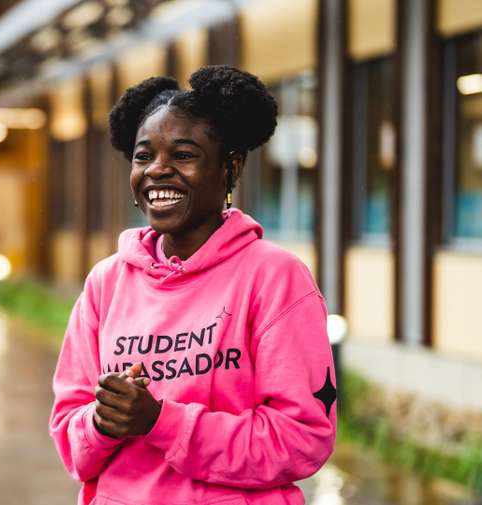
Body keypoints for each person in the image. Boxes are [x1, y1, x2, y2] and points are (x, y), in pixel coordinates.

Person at [48, 65, 337, 505]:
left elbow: (302, 439)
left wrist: (161, 421)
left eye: (183, 155)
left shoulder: (275, 278)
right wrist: (104, 420)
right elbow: (71, 443)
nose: (157, 171)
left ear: (229, 168)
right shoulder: (106, 282)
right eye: (144, 156)